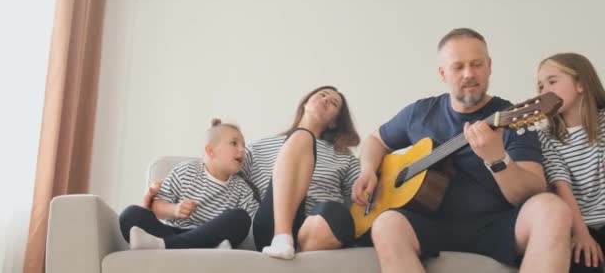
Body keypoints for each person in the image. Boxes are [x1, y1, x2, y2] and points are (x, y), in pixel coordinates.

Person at [351, 28, 572, 273]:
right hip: (430, 225)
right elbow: (375, 139)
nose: (469, 74)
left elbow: (531, 190)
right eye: (458, 67)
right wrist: (368, 169)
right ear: (442, 73)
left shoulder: (511, 117)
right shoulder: (420, 112)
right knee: (386, 223)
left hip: (494, 225)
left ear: (489, 66)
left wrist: (497, 159)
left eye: (476, 64)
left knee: (552, 210)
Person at [246, 86, 361, 259]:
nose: (325, 100)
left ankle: (294, 255)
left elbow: (365, 190)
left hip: (317, 228)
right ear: (305, 103)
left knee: (337, 213)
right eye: (322, 95)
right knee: (302, 136)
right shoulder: (261, 146)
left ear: (334, 122)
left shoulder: (343, 156)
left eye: (333, 103)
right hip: (271, 225)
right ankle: (282, 238)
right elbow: (219, 168)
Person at [119, 119, 258, 250]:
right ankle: (178, 245)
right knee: (130, 214)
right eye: (234, 143)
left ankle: (166, 246)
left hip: (210, 237)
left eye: (243, 145)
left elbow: (254, 227)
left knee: (241, 218)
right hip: (173, 232)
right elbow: (156, 207)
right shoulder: (186, 171)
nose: (242, 150)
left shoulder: (242, 189)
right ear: (211, 151)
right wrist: (175, 210)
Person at [537, 53, 605, 272]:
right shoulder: (546, 138)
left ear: (581, 84)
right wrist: (581, 234)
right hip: (582, 225)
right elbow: (561, 186)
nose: (544, 91)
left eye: (552, 81)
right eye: (540, 86)